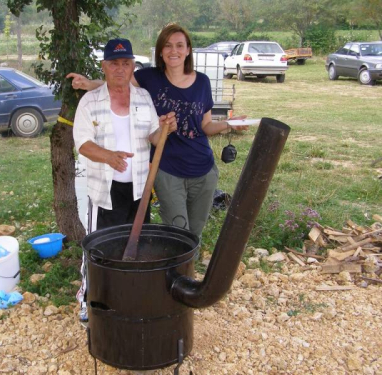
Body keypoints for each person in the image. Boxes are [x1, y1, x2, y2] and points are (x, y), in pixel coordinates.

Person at [68, 23, 248, 239]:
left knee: (189, 231)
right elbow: (116, 81)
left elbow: (203, 126)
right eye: (168, 46)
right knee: (171, 232)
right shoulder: (148, 79)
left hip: (188, 170)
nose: (174, 51)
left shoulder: (196, 83)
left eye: (180, 45)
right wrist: (88, 84)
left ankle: (184, 270)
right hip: (164, 170)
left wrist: (229, 123)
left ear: (188, 49)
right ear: (160, 51)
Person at [72, 37, 177, 323]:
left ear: (132, 66)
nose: (120, 69)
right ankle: (88, 299)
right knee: (97, 248)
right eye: (114, 64)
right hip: (104, 191)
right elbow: (82, 144)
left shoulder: (143, 98)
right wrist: (108, 156)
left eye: (126, 63)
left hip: (139, 190)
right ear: (104, 67)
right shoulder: (90, 102)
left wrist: (166, 128)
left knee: (138, 245)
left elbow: (154, 137)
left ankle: (130, 296)